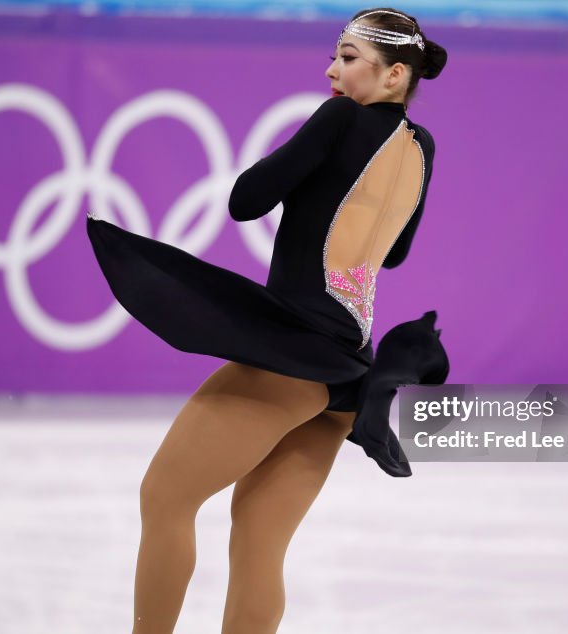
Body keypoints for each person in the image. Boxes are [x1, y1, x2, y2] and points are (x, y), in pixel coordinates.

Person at [85, 6, 449, 632]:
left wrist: (319, 152)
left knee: (165, 498)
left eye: (348, 58)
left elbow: (244, 200)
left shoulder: (339, 118)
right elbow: (396, 251)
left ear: (394, 76)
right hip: (347, 372)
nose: (331, 69)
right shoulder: (421, 145)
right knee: (259, 542)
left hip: (295, 355)